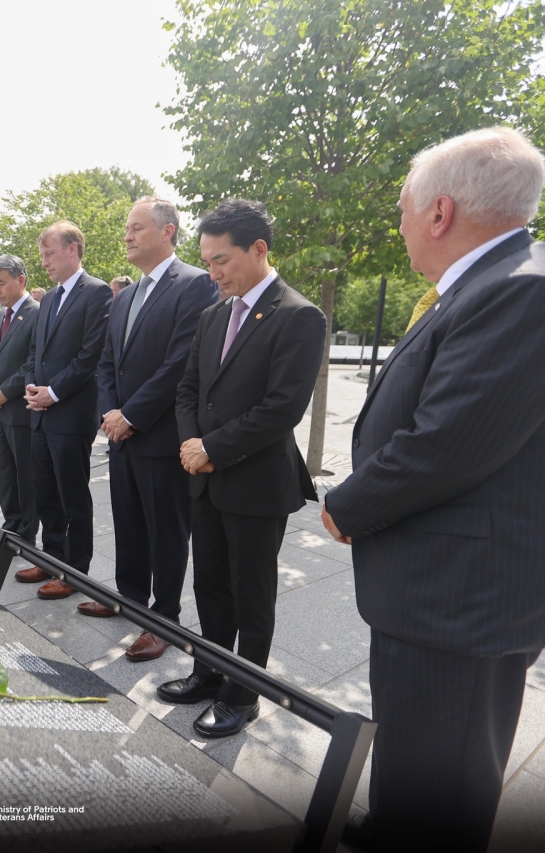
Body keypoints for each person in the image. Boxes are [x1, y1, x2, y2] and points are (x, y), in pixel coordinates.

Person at [320, 127, 545, 852]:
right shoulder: (503, 280)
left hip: (469, 595)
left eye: (403, 207)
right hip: (455, 584)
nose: (401, 222)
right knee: (420, 747)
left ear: (440, 212)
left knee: (443, 777)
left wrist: (346, 505)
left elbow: (444, 446)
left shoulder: (525, 292)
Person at [164, 198, 325, 738]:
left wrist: (212, 447)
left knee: (251, 595)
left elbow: (281, 408)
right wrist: (192, 444)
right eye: (207, 261)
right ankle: (209, 671)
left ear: (259, 249)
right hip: (205, 478)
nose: (213, 272)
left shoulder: (299, 315)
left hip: (255, 483)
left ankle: (243, 693)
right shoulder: (213, 314)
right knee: (209, 584)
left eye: (222, 260)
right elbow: (189, 388)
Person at [92, 198, 218, 662]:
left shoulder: (196, 285)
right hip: (121, 435)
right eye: (127, 228)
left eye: (136, 228)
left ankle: (163, 620)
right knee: (127, 526)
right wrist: (109, 413)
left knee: (166, 532)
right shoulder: (124, 295)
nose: (127, 236)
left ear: (167, 231)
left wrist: (131, 415)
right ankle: (129, 601)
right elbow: (107, 362)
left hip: (161, 437)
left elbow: (179, 364)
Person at [12, 221, 112, 598]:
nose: (45, 262)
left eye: (49, 254)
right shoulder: (50, 298)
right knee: (46, 492)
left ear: (73, 249)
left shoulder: (97, 292)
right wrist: (33, 389)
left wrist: (53, 392)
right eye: (42, 256)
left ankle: (75, 572)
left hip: (70, 413)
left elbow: (90, 356)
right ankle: (51, 560)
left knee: (72, 495)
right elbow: (37, 351)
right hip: (40, 411)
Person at [0, 254, 41, 547]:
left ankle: (27, 534)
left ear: (21, 280)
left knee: (25, 475)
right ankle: (11, 524)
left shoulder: (37, 313)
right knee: (4, 472)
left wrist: (6, 390)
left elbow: (33, 362)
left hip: (20, 409)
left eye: (1, 283)